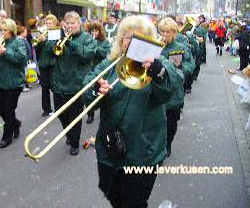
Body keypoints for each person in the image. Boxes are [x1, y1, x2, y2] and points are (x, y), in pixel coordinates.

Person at [83, 15, 182, 208]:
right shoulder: (109, 64)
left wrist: (159, 72)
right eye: (128, 36)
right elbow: (87, 87)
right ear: (121, 40)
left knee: (134, 202)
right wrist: (95, 89)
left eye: (140, 37)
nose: (133, 42)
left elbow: (172, 88)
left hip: (143, 152)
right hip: (110, 148)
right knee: (111, 193)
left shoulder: (159, 64)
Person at [51, 11, 96, 155]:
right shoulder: (59, 36)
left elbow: (87, 55)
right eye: (67, 23)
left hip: (77, 83)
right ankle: (70, 134)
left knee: (74, 116)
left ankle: (75, 143)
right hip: (59, 82)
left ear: (79, 24)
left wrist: (72, 43)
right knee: (61, 114)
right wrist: (48, 43)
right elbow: (48, 57)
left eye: (73, 23)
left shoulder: (87, 38)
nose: (69, 26)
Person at [159, 17, 194, 157]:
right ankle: (159, 146)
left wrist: (180, 67)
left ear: (174, 32)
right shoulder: (156, 46)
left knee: (171, 124)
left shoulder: (181, 48)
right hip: (157, 92)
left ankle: (168, 144)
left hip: (173, 93)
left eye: (168, 31)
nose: (165, 34)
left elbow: (190, 66)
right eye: (162, 31)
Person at [0, 19, 28, 148]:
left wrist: (6, 52)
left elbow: (22, 59)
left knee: (8, 109)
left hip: (13, 83)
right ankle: (15, 123)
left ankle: (7, 137)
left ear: (11, 31)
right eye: (1, 30)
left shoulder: (18, 42)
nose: (2, 33)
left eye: (5, 30)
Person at [85, 21, 111, 123]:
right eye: (92, 31)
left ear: (100, 31)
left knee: (100, 93)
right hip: (89, 70)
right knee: (89, 93)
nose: (94, 33)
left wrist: (95, 45)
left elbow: (106, 54)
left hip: (100, 72)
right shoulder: (87, 40)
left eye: (96, 31)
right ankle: (90, 114)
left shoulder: (105, 42)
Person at [35, 14, 58, 116]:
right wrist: (38, 42)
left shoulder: (57, 34)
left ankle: (58, 108)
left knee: (54, 87)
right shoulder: (43, 34)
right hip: (43, 64)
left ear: (54, 23)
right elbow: (37, 51)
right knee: (44, 88)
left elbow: (53, 50)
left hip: (53, 64)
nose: (48, 25)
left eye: (50, 23)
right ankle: (46, 109)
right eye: (47, 23)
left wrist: (46, 41)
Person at [17, 25, 33, 92]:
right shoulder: (20, 40)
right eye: (25, 32)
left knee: (27, 72)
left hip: (27, 58)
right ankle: (22, 86)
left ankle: (27, 83)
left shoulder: (24, 39)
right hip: (24, 60)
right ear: (22, 32)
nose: (26, 33)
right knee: (23, 73)